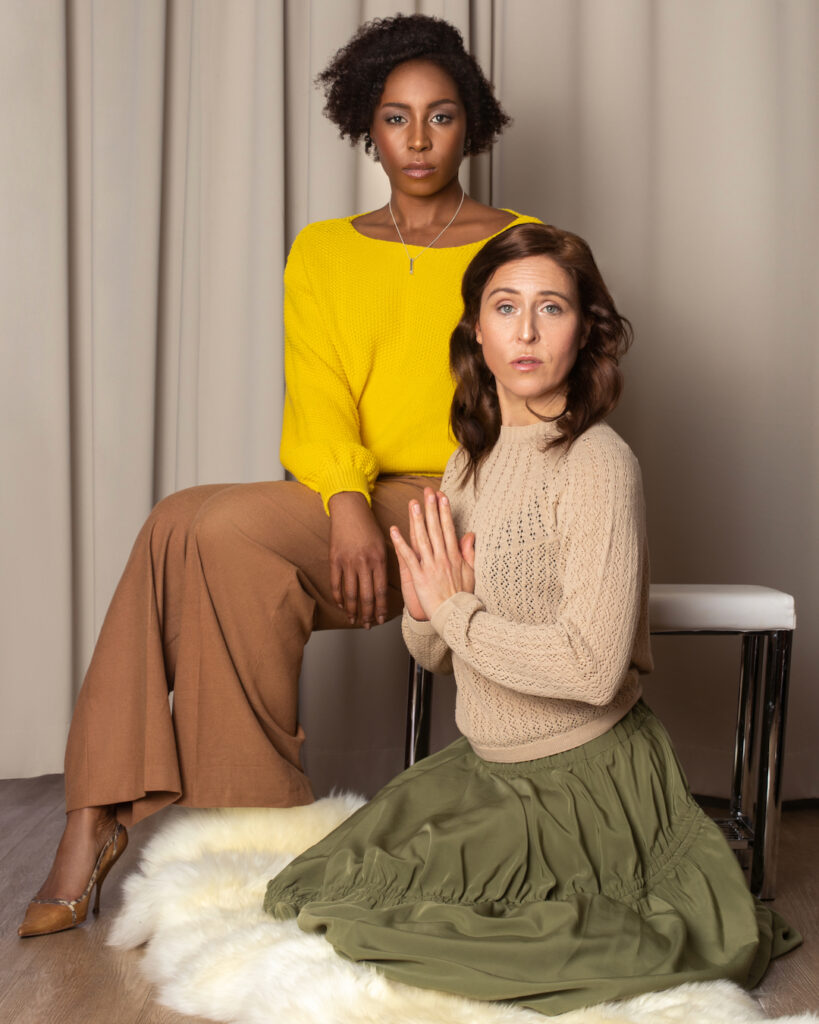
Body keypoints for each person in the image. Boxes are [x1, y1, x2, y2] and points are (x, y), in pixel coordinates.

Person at [18, 14, 541, 938]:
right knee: (185, 523)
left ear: (473, 123)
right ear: (365, 126)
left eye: (440, 116)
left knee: (215, 535)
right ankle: (177, 824)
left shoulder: (521, 242)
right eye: (395, 118)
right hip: (361, 491)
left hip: (474, 496)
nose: (418, 140)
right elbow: (320, 393)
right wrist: (344, 501)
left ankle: (142, 821)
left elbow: (549, 392)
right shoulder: (324, 248)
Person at [263, 223, 800, 1014]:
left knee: (430, 932)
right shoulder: (468, 464)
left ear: (583, 331)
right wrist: (426, 607)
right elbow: (433, 651)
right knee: (316, 887)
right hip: (485, 765)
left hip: (584, 781)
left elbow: (592, 669)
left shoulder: (597, 462)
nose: (524, 330)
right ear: (475, 333)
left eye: (550, 307)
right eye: (504, 306)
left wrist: (454, 607)